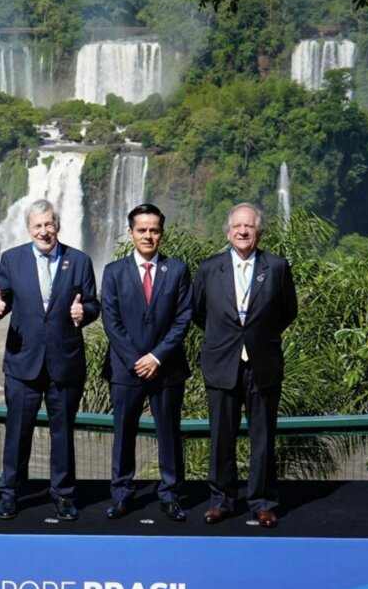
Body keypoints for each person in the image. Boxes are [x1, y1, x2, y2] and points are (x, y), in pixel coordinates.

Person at [0, 199, 98, 521]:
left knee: (62, 434)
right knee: (17, 432)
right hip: (23, 364)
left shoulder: (79, 261)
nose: (44, 231)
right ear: (28, 228)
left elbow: (92, 304)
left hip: (64, 363)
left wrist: (85, 312)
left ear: (58, 225)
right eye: (37, 225)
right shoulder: (12, 259)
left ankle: (62, 494)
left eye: (49, 224)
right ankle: (9, 493)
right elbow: (1, 300)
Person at [194, 202, 297, 528]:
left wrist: (256, 337)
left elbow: (287, 311)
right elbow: (199, 312)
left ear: (259, 231)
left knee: (263, 437)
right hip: (222, 361)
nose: (242, 231)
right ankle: (221, 500)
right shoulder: (210, 268)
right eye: (237, 226)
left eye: (249, 226)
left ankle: (263, 502)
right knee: (220, 437)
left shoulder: (277, 267)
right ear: (228, 231)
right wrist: (228, 339)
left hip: (262, 363)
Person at [100, 204, 193, 522]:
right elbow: (111, 321)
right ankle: (122, 494)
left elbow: (183, 318)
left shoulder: (177, 270)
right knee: (123, 433)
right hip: (126, 369)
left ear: (161, 233)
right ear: (131, 233)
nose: (148, 235)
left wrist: (156, 356)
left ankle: (170, 495)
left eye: (154, 230)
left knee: (169, 432)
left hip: (166, 367)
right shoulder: (113, 272)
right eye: (142, 230)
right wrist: (136, 359)